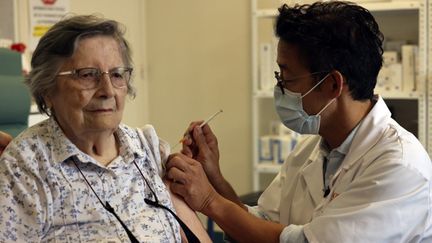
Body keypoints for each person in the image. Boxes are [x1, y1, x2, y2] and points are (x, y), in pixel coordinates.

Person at [166, 1, 432, 242]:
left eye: (286, 77)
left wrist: (209, 200)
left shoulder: (399, 166)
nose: (280, 88)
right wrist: (214, 176)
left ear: (332, 84)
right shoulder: (311, 151)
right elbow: (261, 226)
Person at [0, 15, 210, 242]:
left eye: (117, 74)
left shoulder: (145, 148)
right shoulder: (26, 166)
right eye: (88, 75)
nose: (108, 90)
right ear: (47, 90)